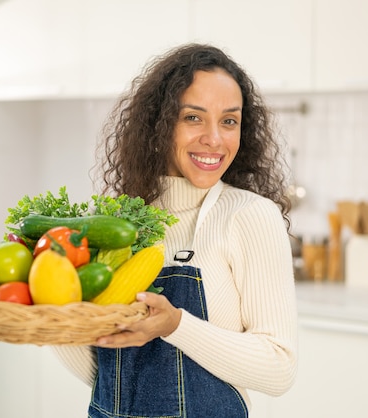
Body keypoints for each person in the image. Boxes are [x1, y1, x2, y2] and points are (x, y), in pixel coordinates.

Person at [54, 43, 297, 418]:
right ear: (160, 123)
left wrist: (176, 325)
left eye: (229, 121)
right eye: (193, 118)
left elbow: (279, 368)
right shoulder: (118, 224)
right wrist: (54, 318)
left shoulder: (249, 216)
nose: (214, 139)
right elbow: (105, 378)